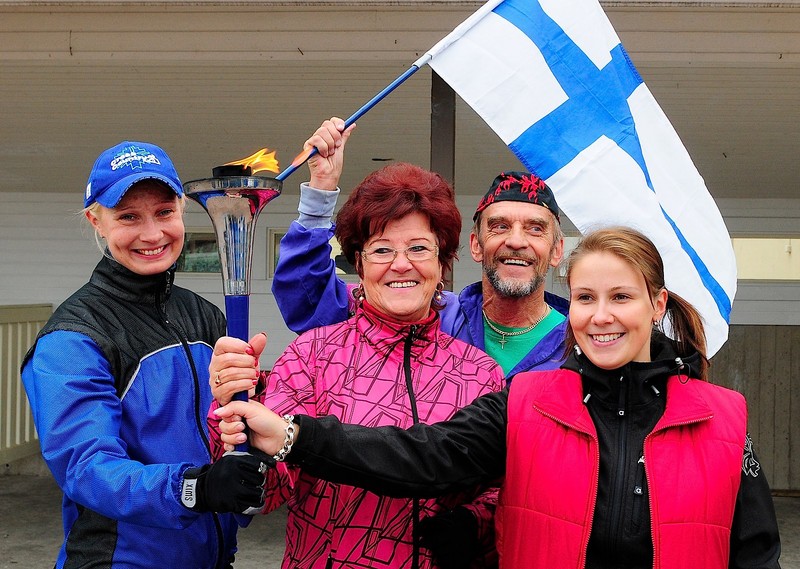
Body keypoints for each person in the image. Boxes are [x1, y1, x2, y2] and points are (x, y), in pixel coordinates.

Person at [217, 226, 783, 569]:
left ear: (656, 305)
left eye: (621, 297)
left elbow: (756, 554)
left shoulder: (723, 418)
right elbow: (421, 456)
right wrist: (293, 435)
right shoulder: (527, 401)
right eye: (585, 297)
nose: (601, 316)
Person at [208, 160, 506, 569]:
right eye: (382, 249)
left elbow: (499, 486)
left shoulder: (479, 372)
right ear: (359, 265)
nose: (401, 264)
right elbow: (271, 487)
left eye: (419, 248)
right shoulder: (312, 357)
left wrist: (474, 523)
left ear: (442, 262)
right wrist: (235, 419)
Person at [21, 141, 269, 569]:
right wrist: (195, 488)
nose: (152, 234)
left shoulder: (204, 315)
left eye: (164, 212)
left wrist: (251, 406)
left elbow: (221, 429)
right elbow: (87, 468)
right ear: (96, 222)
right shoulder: (73, 337)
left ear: (182, 211)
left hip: (212, 557)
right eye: (128, 217)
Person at [271, 118, 568, 379]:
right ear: (476, 245)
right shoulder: (432, 314)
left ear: (557, 251)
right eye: (499, 226)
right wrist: (320, 191)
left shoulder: (579, 342)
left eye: (535, 229)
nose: (516, 241)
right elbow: (309, 299)